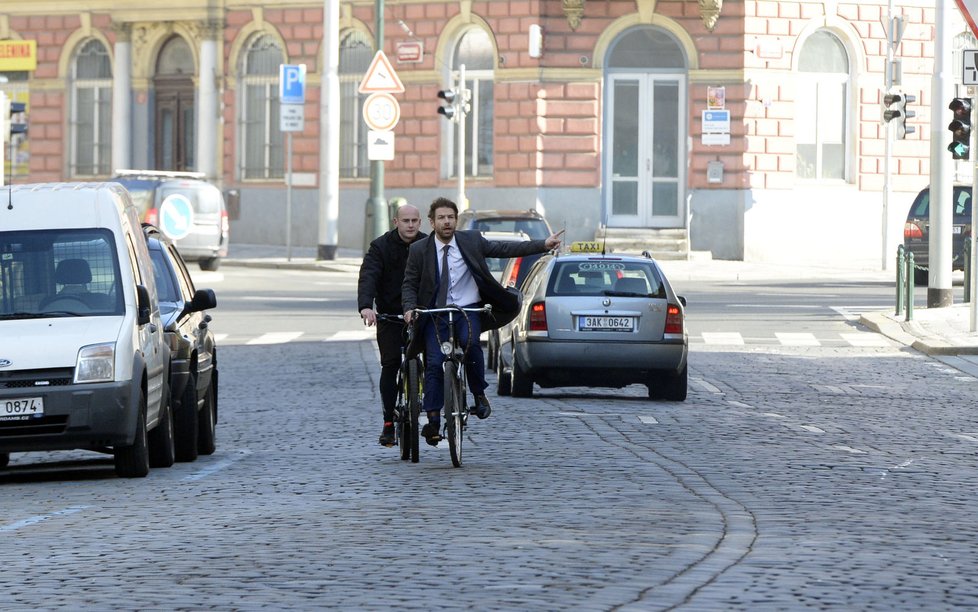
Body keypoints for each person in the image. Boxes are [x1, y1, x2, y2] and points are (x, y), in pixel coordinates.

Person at [402, 197, 563, 446]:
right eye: (442, 218)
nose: (447, 222)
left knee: (471, 346)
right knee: (434, 363)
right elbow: (410, 283)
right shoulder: (419, 250)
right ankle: (433, 420)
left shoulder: (471, 241)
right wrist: (410, 309)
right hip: (435, 313)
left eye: (451, 217)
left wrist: (543, 244)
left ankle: (478, 395)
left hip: (468, 310)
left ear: (456, 220)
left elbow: (505, 249)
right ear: (432, 222)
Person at [357, 204, 426, 447]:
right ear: (395, 221)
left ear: (420, 222)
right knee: (390, 365)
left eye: (414, 221)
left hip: (421, 314)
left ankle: (433, 411)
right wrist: (367, 306)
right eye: (405, 220)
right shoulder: (380, 246)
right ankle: (388, 421)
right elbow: (369, 276)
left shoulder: (428, 244)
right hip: (389, 315)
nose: (410, 225)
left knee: (435, 358)